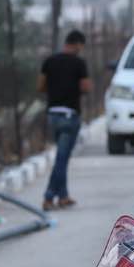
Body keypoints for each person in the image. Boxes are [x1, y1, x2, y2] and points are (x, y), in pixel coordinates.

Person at [38, 29, 92, 212]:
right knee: (62, 158)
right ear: (77, 44)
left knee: (62, 156)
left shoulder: (49, 61)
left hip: (53, 115)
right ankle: (48, 197)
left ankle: (63, 196)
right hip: (70, 116)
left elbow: (40, 86)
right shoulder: (79, 63)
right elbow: (85, 87)